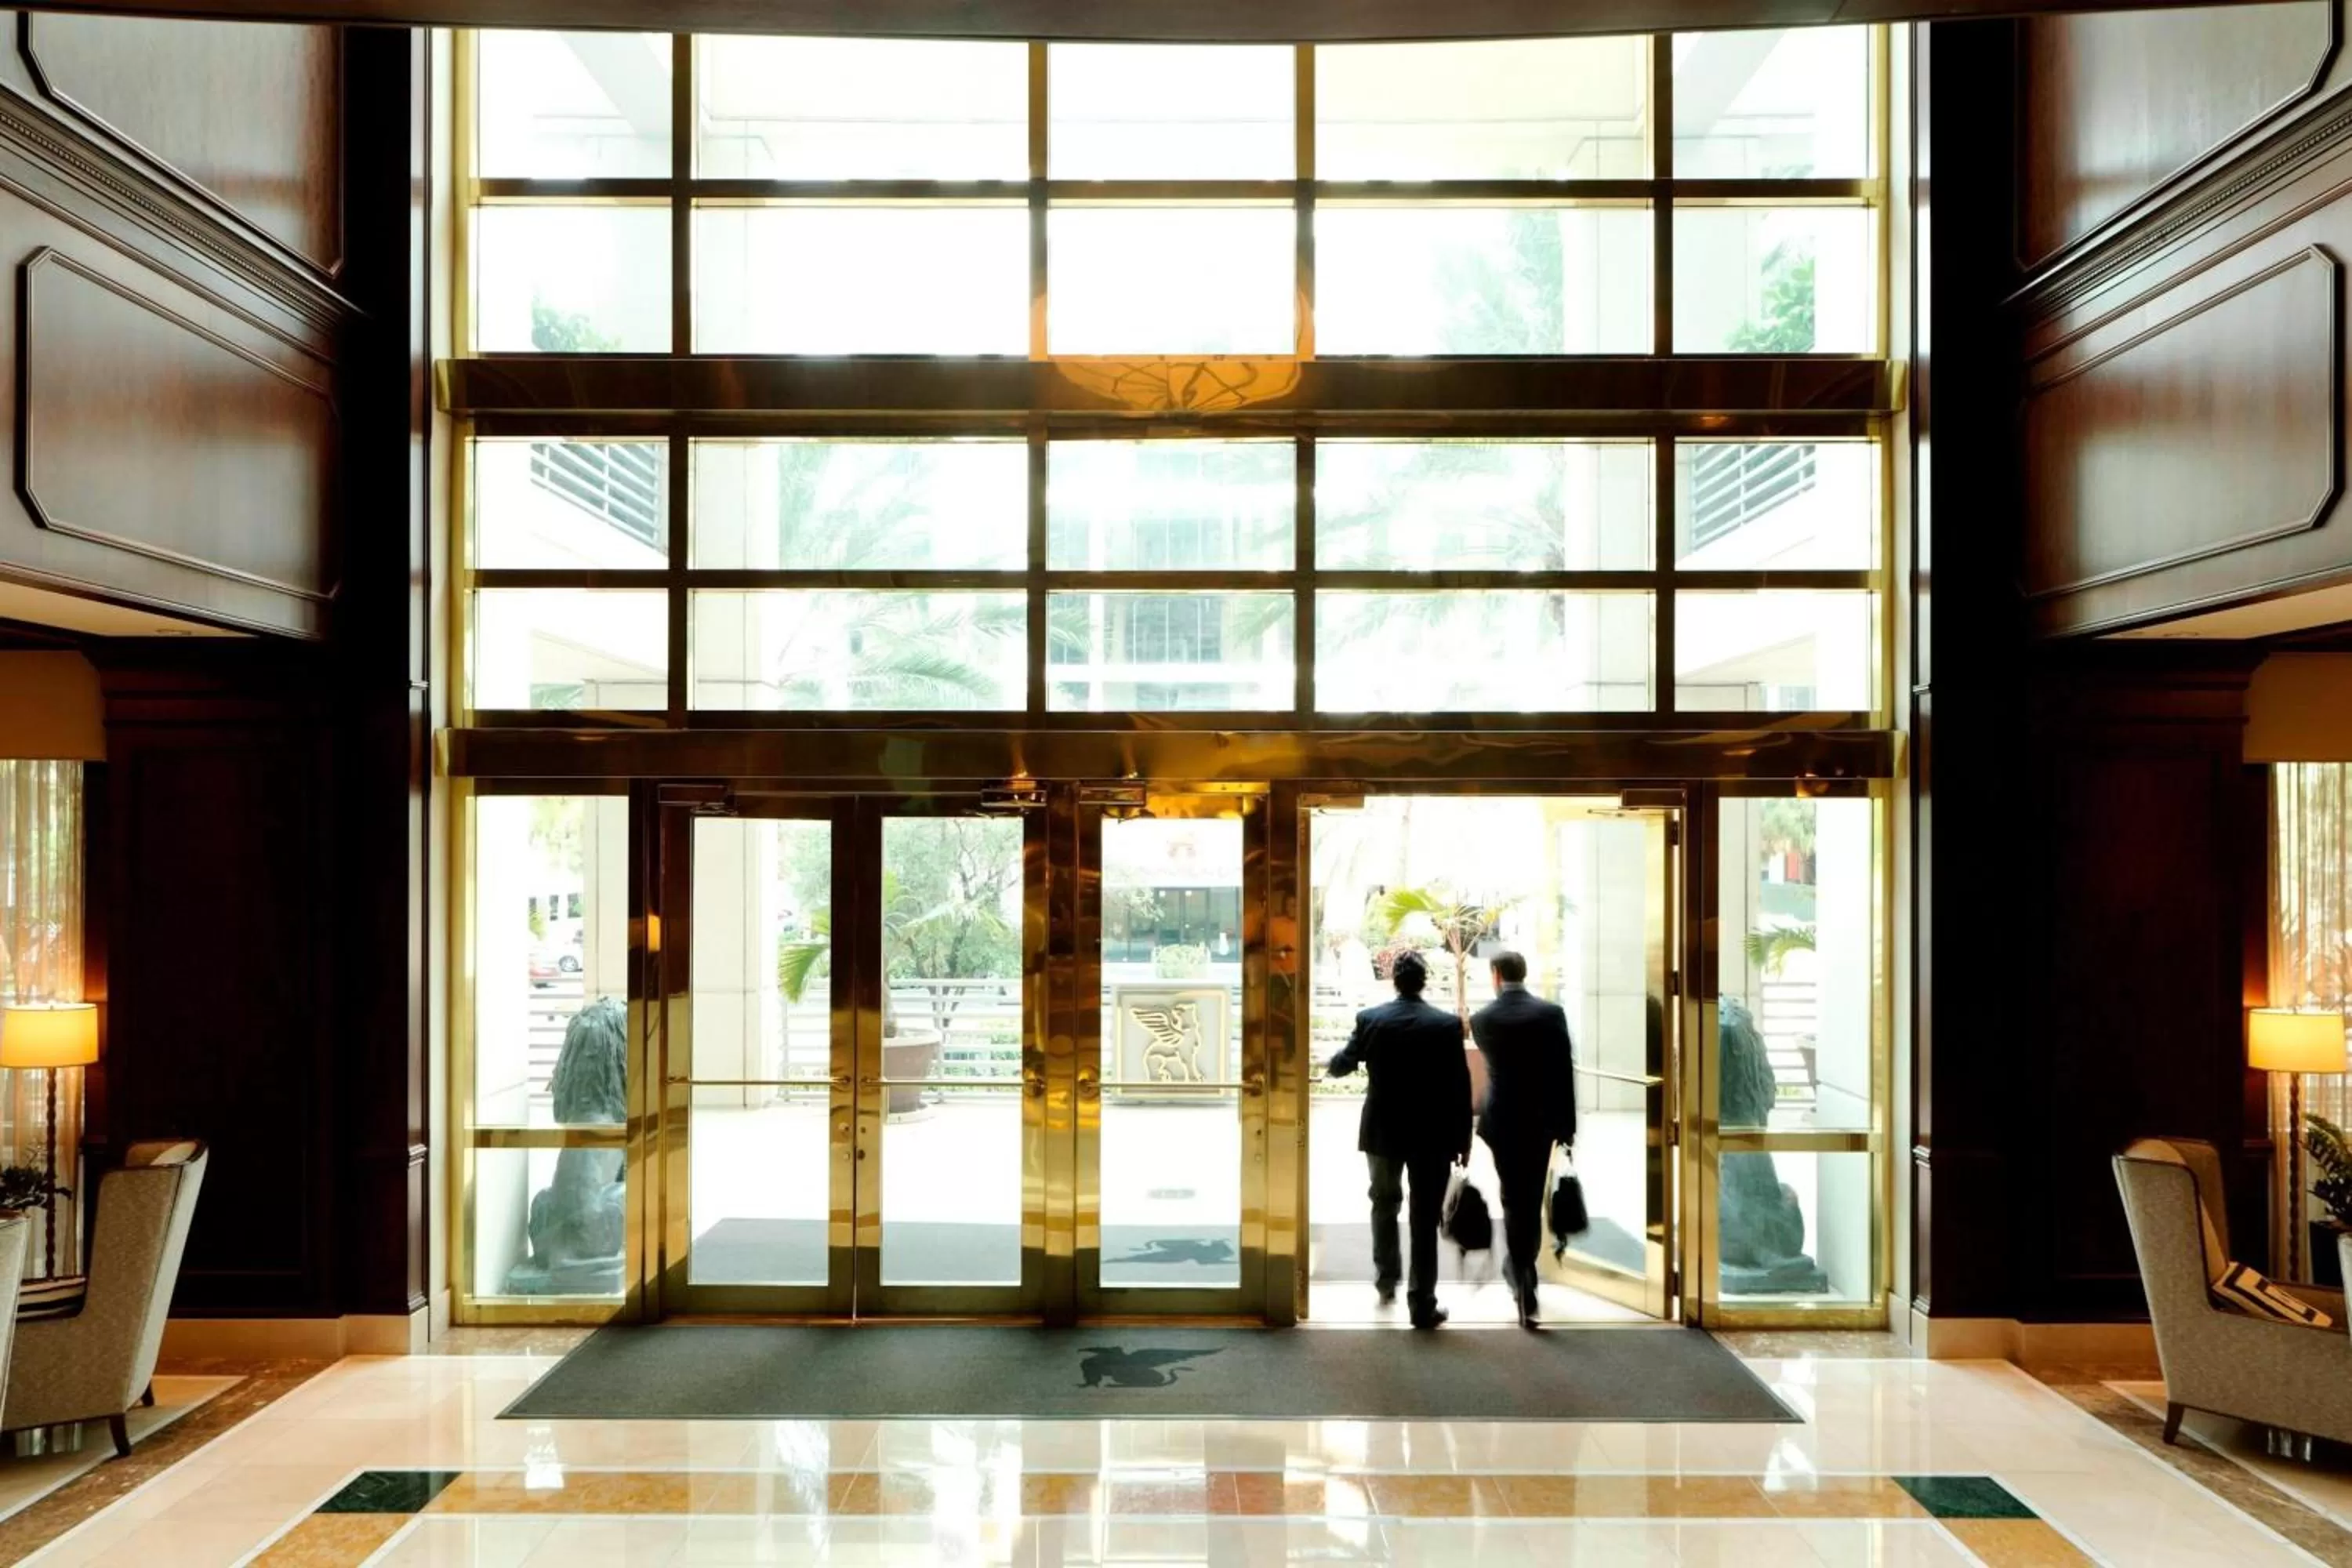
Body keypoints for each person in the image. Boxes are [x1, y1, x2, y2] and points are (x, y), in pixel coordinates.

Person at [1326, 951, 1472, 1329]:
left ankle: (1386, 1280)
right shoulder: (1444, 1026)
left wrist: (1331, 1064)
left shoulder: (1371, 1020)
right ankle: (1422, 1302)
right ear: (1424, 981)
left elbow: (1344, 1064)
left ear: (1394, 980)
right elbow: (1459, 1087)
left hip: (1383, 1131)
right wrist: (1463, 1139)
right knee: (1424, 1217)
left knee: (1384, 1203)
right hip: (1432, 1134)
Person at [1468, 949, 1577, 1329]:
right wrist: (1567, 1128)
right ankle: (1522, 1269)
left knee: (1513, 1196)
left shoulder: (1483, 1020)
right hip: (1542, 1121)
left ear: (1496, 975)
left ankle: (1522, 1274)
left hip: (1502, 1122)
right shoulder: (1551, 1014)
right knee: (1529, 1197)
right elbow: (1563, 1072)